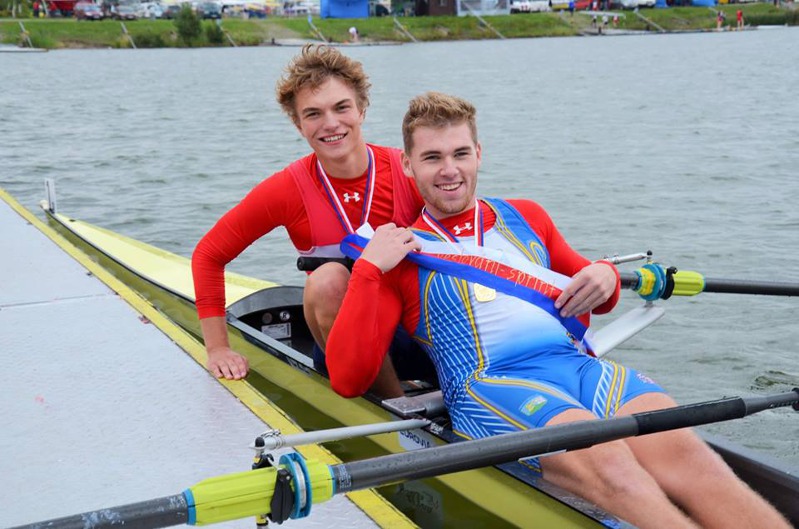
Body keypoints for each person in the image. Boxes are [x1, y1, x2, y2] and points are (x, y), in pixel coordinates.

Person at [326, 92, 791, 529]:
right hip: (492, 384)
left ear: (478, 154)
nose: (450, 170)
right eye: (432, 158)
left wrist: (605, 273)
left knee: (695, 461)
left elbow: (596, 293)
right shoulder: (402, 253)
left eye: (460, 154)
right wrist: (367, 270)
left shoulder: (526, 216)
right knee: (613, 468)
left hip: (578, 367)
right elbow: (348, 379)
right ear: (408, 164)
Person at [191, 45, 432, 397]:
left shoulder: (408, 169)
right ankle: (396, 405)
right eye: (314, 114)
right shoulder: (287, 190)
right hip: (346, 346)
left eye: (341, 107)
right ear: (298, 124)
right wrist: (217, 349)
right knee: (327, 280)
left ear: (362, 109)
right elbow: (208, 255)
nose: (330, 123)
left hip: (418, 334)